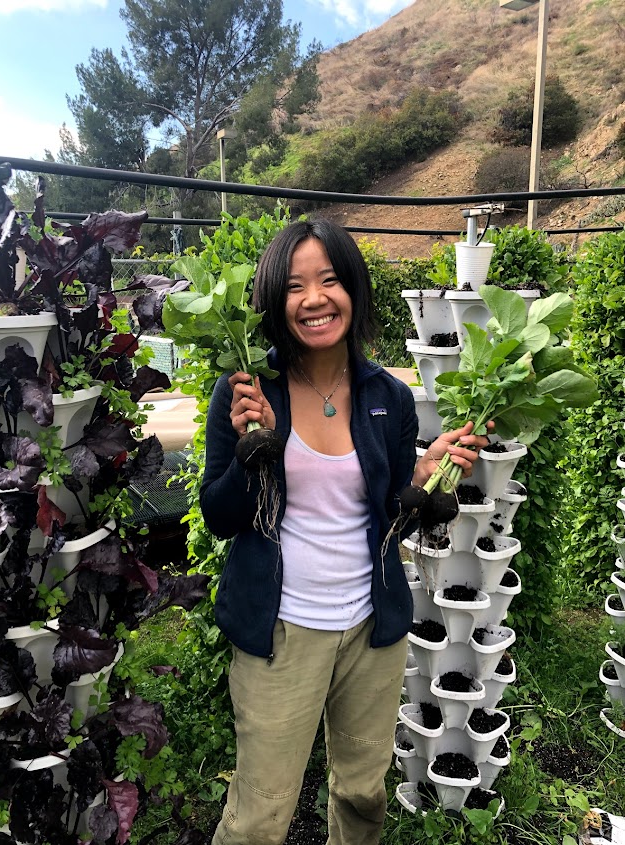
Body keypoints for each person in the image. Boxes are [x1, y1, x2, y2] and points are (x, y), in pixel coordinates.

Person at [200, 219, 491, 845]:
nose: (314, 299)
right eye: (296, 285)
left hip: (370, 630)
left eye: (329, 280)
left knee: (362, 791)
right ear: (275, 301)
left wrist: (423, 476)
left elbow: (391, 511)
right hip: (282, 629)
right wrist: (255, 452)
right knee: (261, 810)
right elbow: (220, 520)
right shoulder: (247, 389)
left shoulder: (387, 394)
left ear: (352, 289)